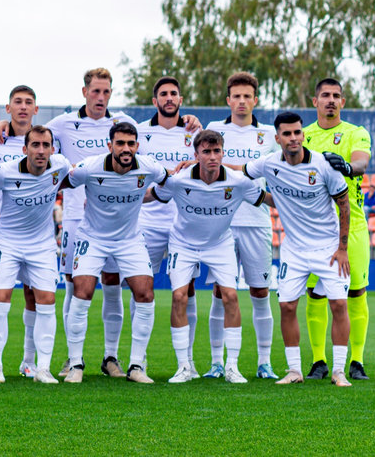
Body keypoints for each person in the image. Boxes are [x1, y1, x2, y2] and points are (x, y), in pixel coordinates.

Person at [0, 68, 200, 378]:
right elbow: (37, 140)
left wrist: (187, 122)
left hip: (127, 230)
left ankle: (122, 361)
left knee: (129, 289)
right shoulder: (64, 127)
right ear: (85, 92)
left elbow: (165, 153)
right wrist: (5, 125)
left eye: (106, 92)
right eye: (95, 91)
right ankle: (72, 361)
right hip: (81, 224)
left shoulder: (124, 127)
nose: (101, 97)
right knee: (77, 290)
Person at [148, 129, 269, 384]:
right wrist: (124, 198)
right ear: (196, 155)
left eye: (216, 151)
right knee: (179, 296)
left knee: (231, 296)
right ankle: (184, 366)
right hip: (183, 243)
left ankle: (232, 367)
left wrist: (306, 197)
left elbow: (266, 199)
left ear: (223, 153)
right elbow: (152, 195)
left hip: (220, 244)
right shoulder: (179, 180)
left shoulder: (238, 181)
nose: (212, 157)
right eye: (206, 152)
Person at [242, 112, 352, 386]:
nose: (293, 138)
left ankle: (339, 371)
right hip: (294, 250)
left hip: (328, 249)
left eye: (297, 133)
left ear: (303, 135)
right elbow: (238, 172)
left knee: (338, 305)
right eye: (287, 134)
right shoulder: (268, 163)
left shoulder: (323, 166)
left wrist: (342, 248)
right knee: (287, 306)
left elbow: (344, 205)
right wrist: (205, 166)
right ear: (277, 138)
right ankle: (294, 371)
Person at [62, 122, 167, 384]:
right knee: (82, 292)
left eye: (131, 143)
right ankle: (76, 363)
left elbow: (170, 182)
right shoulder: (90, 167)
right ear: (110, 146)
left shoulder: (149, 167)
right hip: (92, 237)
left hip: (129, 239)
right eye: (120, 143)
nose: (126, 148)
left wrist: (151, 196)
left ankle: (136, 366)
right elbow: (61, 182)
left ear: (137, 146)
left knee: (145, 293)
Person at [196, 72, 279, 379]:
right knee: (221, 290)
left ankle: (264, 362)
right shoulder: (214, 130)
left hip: (257, 222)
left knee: (260, 291)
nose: (242, 102)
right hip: (222, 223)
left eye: (248, 96)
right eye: (237, 96)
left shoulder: (270, 134)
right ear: (228, 100)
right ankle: (217, 363)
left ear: (255, 100)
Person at [0, 125, 73, 384]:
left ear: (53, 149)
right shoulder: (5, 172)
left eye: (45, 145)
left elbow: (75, 178)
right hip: (6, 241)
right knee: (0, 298)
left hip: (41, 244)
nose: (41, 151)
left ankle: (42, 369)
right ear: (24, 149)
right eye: (35, 145)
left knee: (46, 300)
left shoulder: (60, 165)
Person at [302, 77, 372, 382]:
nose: (331, 100)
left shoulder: (356, 133)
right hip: (314, 228)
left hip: (352, 225)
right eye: (325, 95)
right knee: (316, 295)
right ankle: (318, 361)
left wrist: (345, 166)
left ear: (342, 102)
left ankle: (356, 361)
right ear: (314, 101)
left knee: (356, 291)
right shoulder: (302, 136)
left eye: (336, 96)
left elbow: (361, 163)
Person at [136, 76, 202, 377]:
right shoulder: (139, 132)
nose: (169, 98)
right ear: (155, 101)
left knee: (185, 290)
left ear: (181, 98)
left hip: (183, 225)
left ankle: (187, 362)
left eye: (174, 93)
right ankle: (140, 359)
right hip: (147, 221)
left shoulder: (194, 132)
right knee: (142, 290)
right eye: (163, 94)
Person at [0, 85, 40, 379]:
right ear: (8, 108)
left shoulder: (44, 139)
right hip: (0, 232)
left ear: (36, 109)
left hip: (36, 233)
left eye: (29, 102)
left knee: (32, 295)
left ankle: (28, 360)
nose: (23, 107)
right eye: (18, 102)